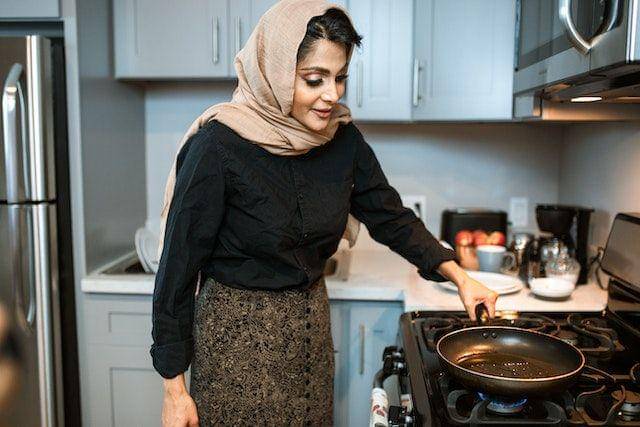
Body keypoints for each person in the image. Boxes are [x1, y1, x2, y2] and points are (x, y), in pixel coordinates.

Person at [151, 1, 498, 425]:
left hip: (310, 337)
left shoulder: (343, 141)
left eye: (340, 77)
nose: (332, 95)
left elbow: (390, 216)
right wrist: (174, 390)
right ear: (276, 73)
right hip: (235, 346)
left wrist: (460, 277)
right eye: (314, 80)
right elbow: (177, 272)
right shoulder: (218, 146)